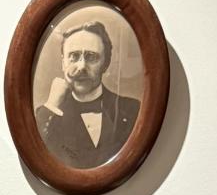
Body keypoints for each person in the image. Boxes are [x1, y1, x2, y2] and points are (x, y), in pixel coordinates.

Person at [35, 20, 140, 169]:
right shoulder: (48, 114)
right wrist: (52, 105)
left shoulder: (132, 110)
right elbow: (34, 154)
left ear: (106, 63)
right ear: (63, 63)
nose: (82, 66)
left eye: (91, 57)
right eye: (74, 56)